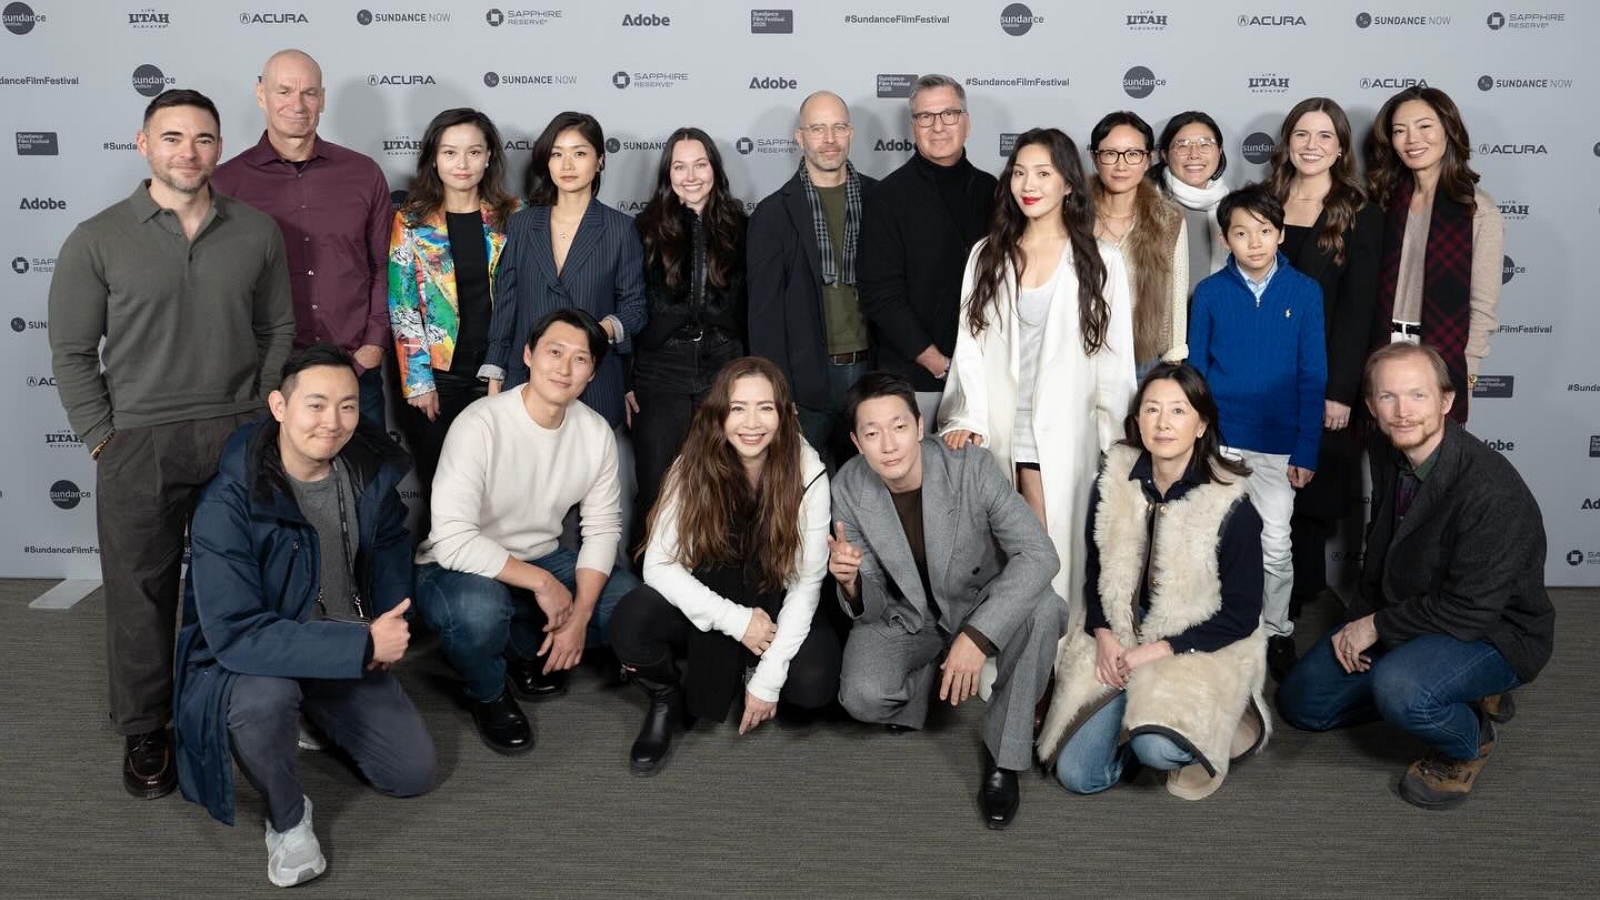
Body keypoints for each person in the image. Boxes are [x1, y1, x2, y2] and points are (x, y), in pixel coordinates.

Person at [47, 88, 295, 800]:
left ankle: (228, 705)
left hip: (237, 433)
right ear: (144, 144)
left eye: (204, 138)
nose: (189, 152)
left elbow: (277, 328)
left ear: (220, 147)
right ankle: (145, 727)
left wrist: (260, 412)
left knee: (238, 582)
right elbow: (71, 352)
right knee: (140, 591)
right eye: (173, 137)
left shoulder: (256, 231)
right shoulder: (96, 238)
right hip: (138, 440)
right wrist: (102, 438)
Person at [173, 345, 435, 888]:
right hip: (257, 656)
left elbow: (390, 542)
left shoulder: (365, 470)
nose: (332, 422)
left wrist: (387, 618)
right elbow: (236, 633)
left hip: (342, 638)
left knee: (412, 772)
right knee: (264, 702)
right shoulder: (228, 501)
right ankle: (288, 819)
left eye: (346, 406)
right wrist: (363, 647)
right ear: (279, 406)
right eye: (315, 405)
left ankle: (313, 711)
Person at [1277, 343, 1553, 810]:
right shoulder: (1389, 451)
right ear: (1371, 406)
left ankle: (1471, 738)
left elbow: (1471, 610)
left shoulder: (1490, 491)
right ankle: (1443, 687)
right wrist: (1358, 622)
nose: (1403, 411)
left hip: (1493, 631)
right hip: (1412, 609)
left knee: (1401, 689)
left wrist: (1376, 627)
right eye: (1388, 397)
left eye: (1418, 395)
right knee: (1302, 704)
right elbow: (1381, 552)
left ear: (1446, 401)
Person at [830, 373, 1066, 830]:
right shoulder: (848, 488)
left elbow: (1040, 554)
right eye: (872, 433)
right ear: (857, 443)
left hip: (978, 603)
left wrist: (977, 637)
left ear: (921, 426)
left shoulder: (970, 467)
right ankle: (933, 681)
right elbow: (873, 607)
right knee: (861, 697)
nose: (889, 445)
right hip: (910, 615)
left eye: (899, 427)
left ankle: (1003, 756)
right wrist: (851, 583)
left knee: (1045, 609)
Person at [414, 309, 641, 755]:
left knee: (627, 605)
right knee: (478, 612)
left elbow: (601, 530)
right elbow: (453, 540)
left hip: (540, 556)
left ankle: (521, 649)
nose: (564, 368)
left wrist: (579, 617)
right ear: (528, 355)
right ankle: (488, 690)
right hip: (455, 566)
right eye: (554, 352)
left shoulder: (595, 433)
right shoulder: (481, 422)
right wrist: (544, 584)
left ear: (592, 373)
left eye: (580, 359)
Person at [1041, 363, 1268, 800]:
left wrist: (1158, 650)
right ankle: (1134, 724)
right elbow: (1097, 572)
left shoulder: (1230, 504)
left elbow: (1241, 615)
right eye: (1152, 409)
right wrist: (1104, 634)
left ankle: (1182, 731)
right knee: (1077, 774)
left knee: (1158, 749)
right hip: (1123, 628)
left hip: (1197, 638)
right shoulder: (1113, 480)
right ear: (1138, 420)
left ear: (1201, 425)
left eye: (1178, 411)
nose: (1163, 423)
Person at [938, 127, 1137, 620]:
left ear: (1068, 183)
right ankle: (1007, 648)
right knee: (1008, 555)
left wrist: (1117, 446)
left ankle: (1056, 651)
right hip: (1001, 430)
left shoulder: (1102, 261)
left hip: (1068, 434)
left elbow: (1114, 364)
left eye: (1044, 173)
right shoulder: (987, 255)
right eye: (1020, 173)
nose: (1029, 184)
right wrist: (969, 417)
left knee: (1057, 553)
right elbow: (970, 346)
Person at [609, 358, 838, 774]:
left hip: (776, 593)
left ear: (785, 415)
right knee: (630, 620)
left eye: (765, 407)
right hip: (716, 589)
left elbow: (807, 584)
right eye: (737, 408)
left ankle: (750, 667)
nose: (752, 423)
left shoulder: (808, 470)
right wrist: (737, 622)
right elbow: (658, 564)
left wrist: (769, 679)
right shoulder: (693, 463)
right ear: (720, 414)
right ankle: (665, 699)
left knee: (811, 686)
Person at [1187, 184, 1326, 682]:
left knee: (1275, 545)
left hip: (1279, 446)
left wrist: (1306, 449)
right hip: (1222, 441)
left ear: (1281, 234)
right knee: (1213, 542)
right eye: (1242, 233)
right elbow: (1197, 373)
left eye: (1265, 231)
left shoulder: (1305, 292)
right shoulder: (1209, 293)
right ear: (1225, 238)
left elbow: (1313, 374)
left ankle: (1276, 631)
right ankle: (1221, 629)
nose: (1254, 242)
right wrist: (1198, 442)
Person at [212, 49, 392, 426]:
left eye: (309, 92)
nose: (297, 104)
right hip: (267, 378)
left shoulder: (363, 174)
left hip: (354, 372)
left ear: (322, 99)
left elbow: (383, 265)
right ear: (261, 95)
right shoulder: (225, 183)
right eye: (284, 91)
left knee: (369, 466)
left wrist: (373, 345)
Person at [1266, 98, 1384, 626]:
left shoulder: (1359, 213)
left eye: (1324, 136)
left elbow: (1359, 310)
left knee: (1308, 500)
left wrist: (1339, 391)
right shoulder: (1264, 202)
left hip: (1319, 380)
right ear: (1287, 143)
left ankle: (1291, 617)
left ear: (1340, 149)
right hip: (1261, 378)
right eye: (1301, 134)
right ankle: (1260, 609)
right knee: (1258, 493)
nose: (1311, 145)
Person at [388, 107, 520, 498]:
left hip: (499, 373)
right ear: (434, 158)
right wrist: (418, 382)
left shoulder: (513, 216)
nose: (462, 164)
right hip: (438, 378)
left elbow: (524, 297)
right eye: (450, 152)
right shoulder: (411, 221)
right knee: (444, 490)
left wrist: (511, 371)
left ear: (489, 156)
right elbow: (403, 306)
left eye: (473, 152)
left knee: (499, 491)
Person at [482, 110, 646, 425]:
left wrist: (598, 331)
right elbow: (507, 304)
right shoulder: (522, 224)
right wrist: (495, 373)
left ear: (599, 161)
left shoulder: (620, 229)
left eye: (579, 153)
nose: (567, 165)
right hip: (526, 379)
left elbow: (635, 308)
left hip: (593, 381)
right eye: (557, 154)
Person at [628, 127, 748, 540]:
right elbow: (627, 304)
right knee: (657, 489)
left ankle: (722, 575)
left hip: (724, 367)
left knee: (726, 486)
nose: (691, 176)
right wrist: (627, 379)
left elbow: (756, 307)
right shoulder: (643, 228)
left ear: (715, 169)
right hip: (660, 372)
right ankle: (648, 573)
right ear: (668, 173)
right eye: (680, 167)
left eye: (700, 165)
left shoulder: (742, 227)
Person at [858, 74, 997, 426]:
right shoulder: (887, 198)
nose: (938, 126)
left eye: (949, 114)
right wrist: (937, 363)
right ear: (913, 127)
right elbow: (880, 294)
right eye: (925, 117)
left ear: (967, 123)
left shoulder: (992, 191)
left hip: (986, 376)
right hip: (916, 381)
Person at [748, 91, 877, 468]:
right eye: (818, 129)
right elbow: (764, 315)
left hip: (869, 371)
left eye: (838, 127)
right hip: (804, 381)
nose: (829, 139)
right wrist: (777, 389)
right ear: (800, 137)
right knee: (801, 485)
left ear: (851, 132)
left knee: (870, 486)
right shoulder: (772, 214)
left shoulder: (881, 199)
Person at [1367, 86, 1504, 423]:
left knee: (1435, 454)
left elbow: (1482, 306)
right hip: (1381, 349)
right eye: (1400, 130)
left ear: (1448, 130)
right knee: (1381, 452)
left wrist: (1467, 374)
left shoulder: (1477, 210)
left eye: (1424, 126)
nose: (1412, 139)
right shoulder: (1384, 202)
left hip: (1440, 357)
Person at [1089, 111, 1189, 375]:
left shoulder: (1168, 218)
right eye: (1110, 153)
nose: (1121, 165)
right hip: (1079, 353)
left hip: (1141, 359)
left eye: (1133, 154)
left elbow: (1176, 289)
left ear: (1148, 159)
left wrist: (1174, 354)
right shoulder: (1071, 215)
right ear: (1094, 158)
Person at [1154, 110, 1231, 291]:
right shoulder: (1147, 206)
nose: (1194, 154)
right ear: (1164, 154)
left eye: (1205, 144)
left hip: (1217, 307)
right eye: (1182, 146)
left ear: (1219, 151)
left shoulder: (1233, 208)